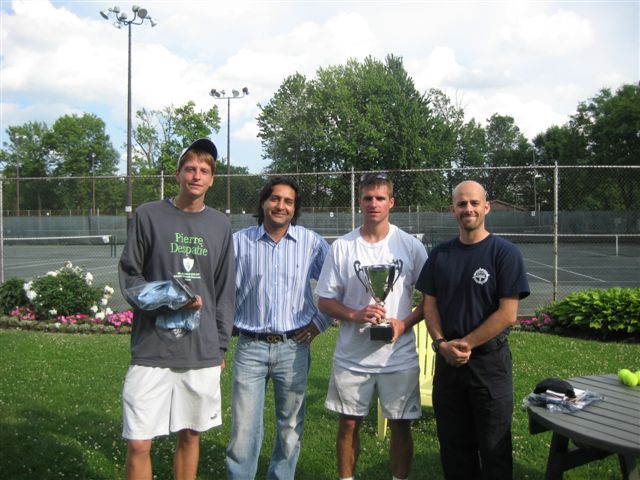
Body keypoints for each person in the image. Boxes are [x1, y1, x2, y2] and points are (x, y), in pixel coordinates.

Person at [118, 138, 235, 480]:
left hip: (201, 350)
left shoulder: (220, 225)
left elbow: (225, 290)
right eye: (190, 169)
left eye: (204, 170)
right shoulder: (148, 214)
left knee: (190, 434)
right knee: (139, 442)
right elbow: (131, 276)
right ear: (178, 174)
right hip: (152, 347)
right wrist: (173, 297)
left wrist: (221, 344)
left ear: (212, 179)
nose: (196, 176)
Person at [316, 172, 428, 480]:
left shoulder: (410, 246)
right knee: (349, 423)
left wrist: (403, 324)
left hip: (398, 355)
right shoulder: (342, 247)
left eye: (380, 198)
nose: (373, 204)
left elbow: (433, 300)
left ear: (391, 202)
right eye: (368, 198)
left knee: (401, 423)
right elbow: (324, 300)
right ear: (360, 202)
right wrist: (354, 314)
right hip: (353, 356)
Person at [415, 180, 530, 480]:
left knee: (494, 449)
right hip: (447, 367)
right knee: (454, 449)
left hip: (489, 368)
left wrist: (462, 345)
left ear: (486, 207)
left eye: (474, 203)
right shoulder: (440, 255)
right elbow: (430, 306)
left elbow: (508, 314)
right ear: (453, 210)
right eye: (462, 204)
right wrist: (442, 344)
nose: (468, 209)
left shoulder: (504, 253)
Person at [225, 177, 331, 479]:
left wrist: (319, 323)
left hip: (293, 346)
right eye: (275, 199)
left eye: (288, 201)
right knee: (244, 427)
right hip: (250, 346)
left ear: (294, 208)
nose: (280, 206)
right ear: (263, 202)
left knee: (290, 425)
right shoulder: (239, 242)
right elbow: (223, 292)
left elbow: (336, 286)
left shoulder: (310, 243)